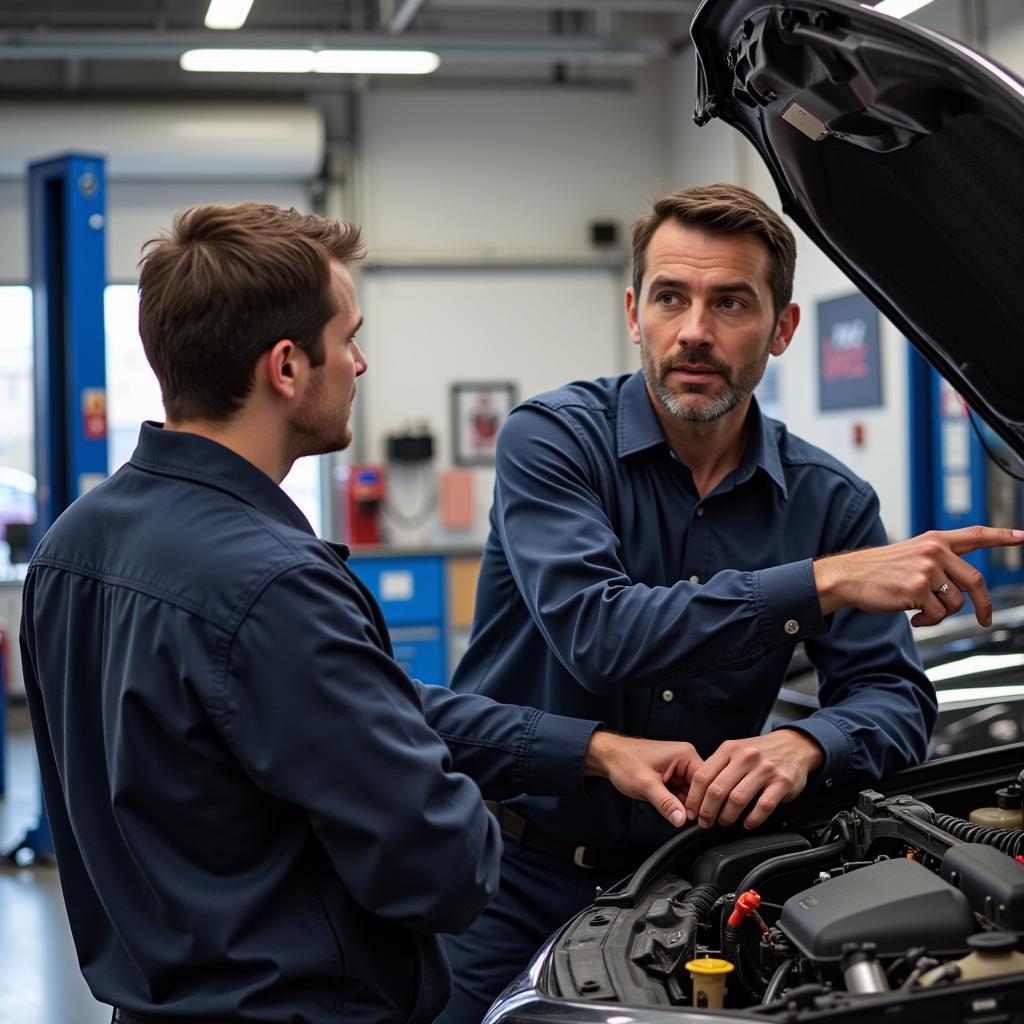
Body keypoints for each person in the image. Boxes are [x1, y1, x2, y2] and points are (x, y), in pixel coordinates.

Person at [18, 203, 707, 1024]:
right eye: (347, 337)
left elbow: (354, 711)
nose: (360, 362)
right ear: (286, 367)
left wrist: (583, 749)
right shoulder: (274, 585)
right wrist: (481, 819)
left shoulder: (72, 546)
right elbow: (439, 867)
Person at [439, 182, 1024, 1022]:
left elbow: (894, 698)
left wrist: (806, 742)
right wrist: (821, 581)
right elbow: (598, 635)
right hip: (509, 876)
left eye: (731, 303)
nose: (695, 332)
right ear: (635, 311)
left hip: (690, 881)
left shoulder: (830, 501)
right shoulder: (552, 441)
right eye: (671, 298)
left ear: (782, 328)